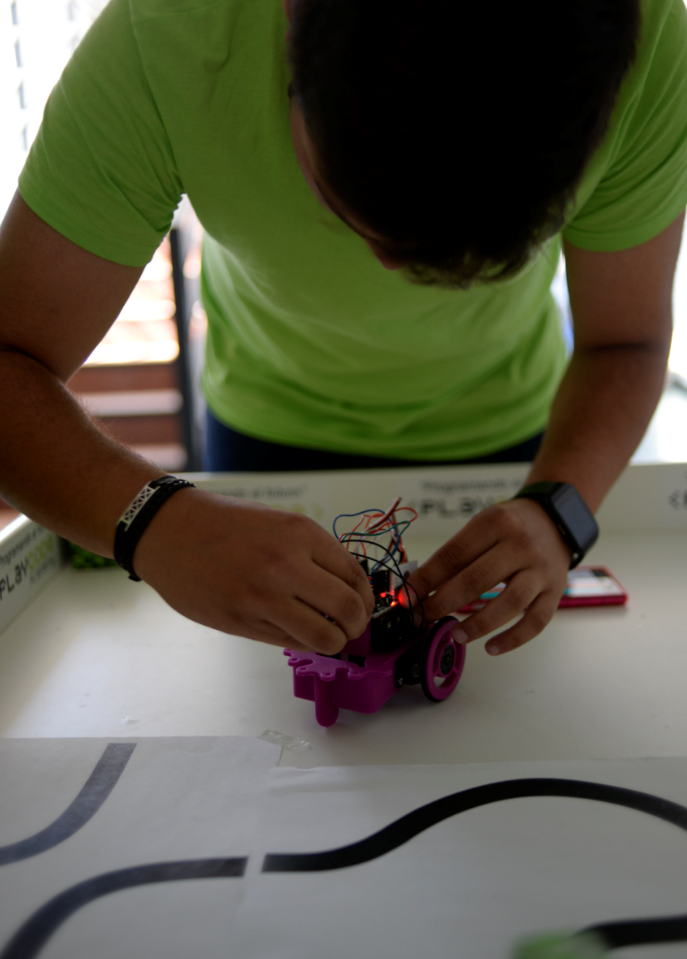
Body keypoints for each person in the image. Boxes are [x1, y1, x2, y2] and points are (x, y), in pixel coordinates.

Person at [0, 0, 686, 658]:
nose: (391, 273)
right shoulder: (171, 32)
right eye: (352, 210)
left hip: (524, 443)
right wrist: (154, 521)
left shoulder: (647, 39)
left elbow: (624, 341)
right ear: (292, 19)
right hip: (265, 433)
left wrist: (558, 506)